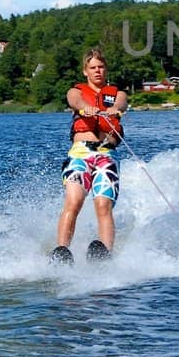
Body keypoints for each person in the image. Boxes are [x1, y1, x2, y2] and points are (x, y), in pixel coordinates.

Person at [51, 48, 128, 264]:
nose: (97, 71)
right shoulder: (76, 91)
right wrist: (86, 108)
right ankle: (61, 251)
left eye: (101, 67)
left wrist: (114, 110)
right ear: (85, 71)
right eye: (93, 67)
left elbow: (121, 103)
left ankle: (105, 255)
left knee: (103, 204)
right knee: (74, 200)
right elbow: (74, 100)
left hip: (106, 154)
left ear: (106, 69)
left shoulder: (118, 94)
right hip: (80, 154)